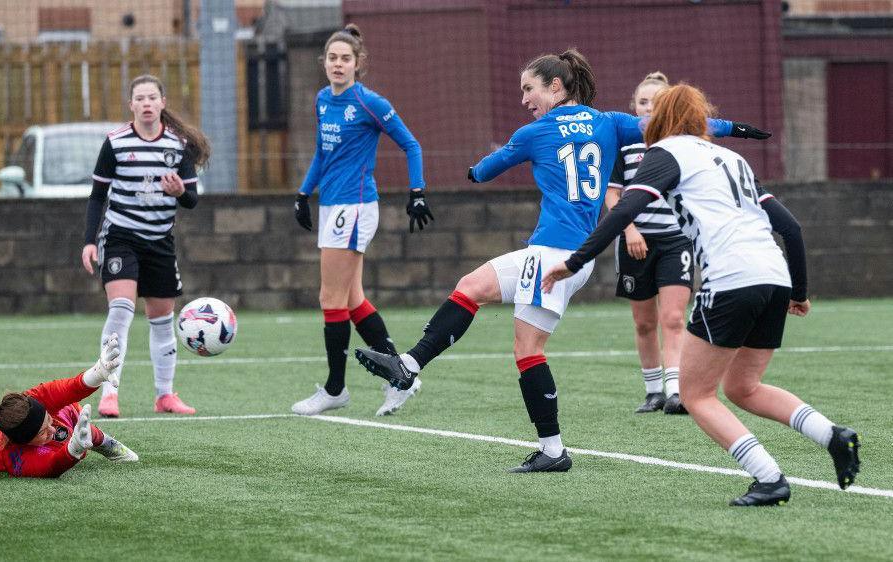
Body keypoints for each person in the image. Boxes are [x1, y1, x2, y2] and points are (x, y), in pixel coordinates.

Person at [355, 50, 769, 472]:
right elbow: (675, 128)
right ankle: (422, 373)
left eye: (528, 89)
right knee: (481, 298)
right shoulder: (610, 122)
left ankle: (420, 374)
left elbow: (483, 172)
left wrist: (476, 169)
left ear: (555, 86)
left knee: (516, 336)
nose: (523, 99)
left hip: (555, 253)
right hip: (574, 254)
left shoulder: (534, 133)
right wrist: (735, 128)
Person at [542, 84, 860, 506]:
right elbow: (792, 228)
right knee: (744, 387)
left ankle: (769, 478)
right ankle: (832, 435)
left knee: (695, 394)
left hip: (731, 278)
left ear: (661, 122)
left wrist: (576, 261)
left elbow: (623, 210)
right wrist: (798, 291)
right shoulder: (733, 158)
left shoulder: (666, 152)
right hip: (773, 275)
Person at [291, 24, 432, 417]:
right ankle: (402, 376)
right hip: (331, 206)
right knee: (352, 300)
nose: (338, 64)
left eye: (345, 58)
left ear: (358, 64)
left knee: (330, 299)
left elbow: (411, 144)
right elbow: (322, 153)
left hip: (354, 207)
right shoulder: (322, 100)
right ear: (325, 63)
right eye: (332, 58)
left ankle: (336, 389)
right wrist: (304, 193)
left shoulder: (370, 103)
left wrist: (417, 192)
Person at [82, 74, 212, 418]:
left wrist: (179, 192)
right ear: (132, 105)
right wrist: (89, 242)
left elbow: (193, 200)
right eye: (140, 98)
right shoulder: (116, 142)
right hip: (121, 238)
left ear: (162, 102)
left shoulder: (177, 145)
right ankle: (110, 393)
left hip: (160, 242)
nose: (147, 104)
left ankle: (165, 395)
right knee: (121, 309)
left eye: (152, 97)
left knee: (161, 318)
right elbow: (97, 197)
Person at [0, 334, 139, 478]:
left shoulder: (37, 400)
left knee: (76, 418)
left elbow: (68, 388)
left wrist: (96, 374)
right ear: (25, 442)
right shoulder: (9, 454)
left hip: (64, 417)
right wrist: (73, 450)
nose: (52, 430)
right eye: (43, 432)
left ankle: (105, 442)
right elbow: (50, 467)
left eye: (47, 422)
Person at [606, 72, 691, 415]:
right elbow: (612, 197)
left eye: (657, 103)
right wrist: (630, 231)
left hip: (675, 241)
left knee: (673, 318)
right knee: (644, 323)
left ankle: (676, 391)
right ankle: (653, 391)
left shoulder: (683, 145)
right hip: (635, 242)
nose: (649, 109)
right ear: (633, 107)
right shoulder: (624, 146)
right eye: (643, 102)